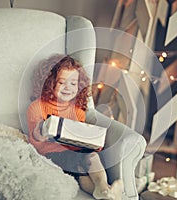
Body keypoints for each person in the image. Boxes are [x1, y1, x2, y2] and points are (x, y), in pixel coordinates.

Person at [27, 54, 123, 200]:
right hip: (50, 156)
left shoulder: (77, 109)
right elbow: (36, 142)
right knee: (89, 158)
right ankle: (104, 187)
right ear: (49, 82)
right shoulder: (36, 107)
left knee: (82, 168)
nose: (68, 88)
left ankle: (103, 192)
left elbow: (78, 137)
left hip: (73, 154)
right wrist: (41, 131)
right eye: (61, 82)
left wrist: (90, 140)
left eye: (73, 83)